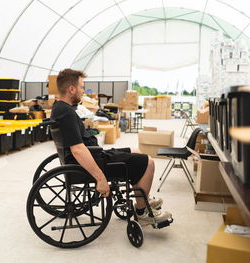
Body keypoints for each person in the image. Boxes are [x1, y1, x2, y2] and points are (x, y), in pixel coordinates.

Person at [50, 68, 172, 226]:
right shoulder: (66, 113)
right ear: (71, 89)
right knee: (149, 162)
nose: (83, 91)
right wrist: (100, 179)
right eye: (81, 87)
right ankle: (142, 213)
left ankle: (143, 198)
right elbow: (78, 150)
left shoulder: (60, 108)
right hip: (91, 161)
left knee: (136, 151)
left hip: (93, 155)